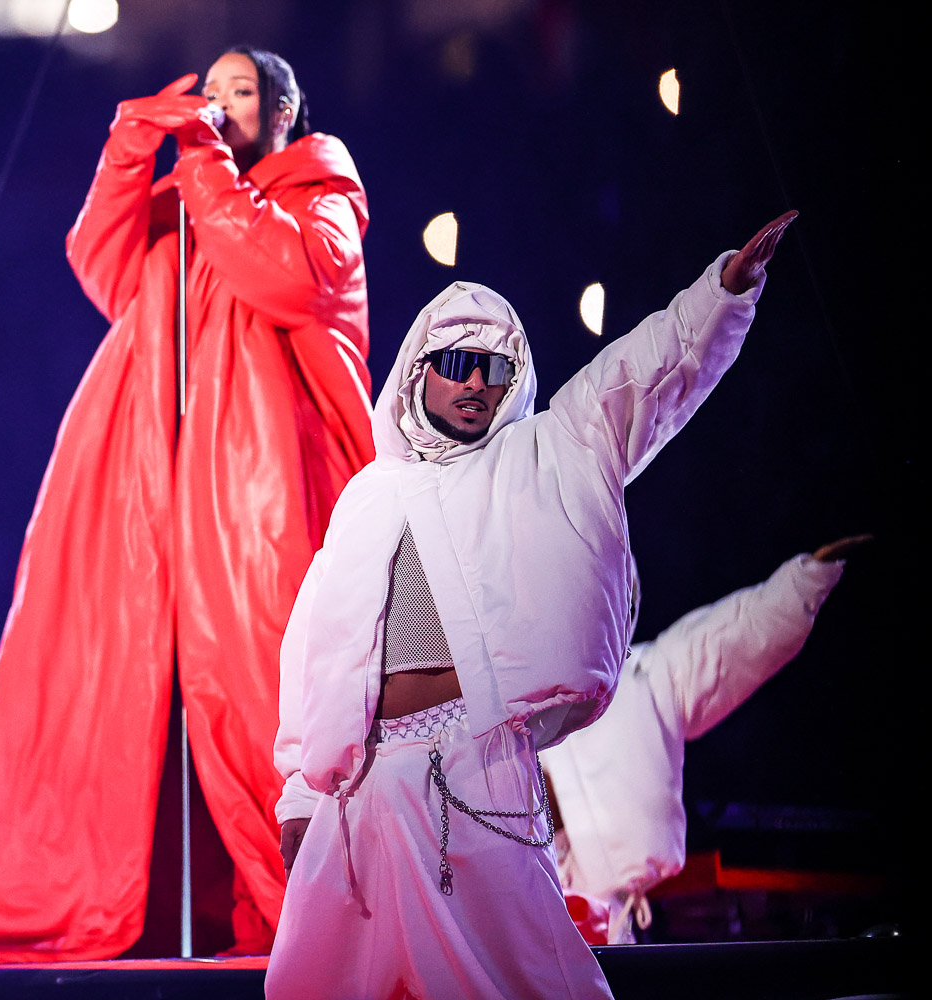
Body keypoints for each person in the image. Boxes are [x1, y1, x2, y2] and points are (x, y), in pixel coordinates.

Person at [0, 48, 374, 965]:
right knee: (132, 690)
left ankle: (318, 907)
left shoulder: (315, 191)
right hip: (153, 476)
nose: (216, 106)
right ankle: (153, 911)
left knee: (267, 694)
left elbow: (286, 277)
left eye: (240, 93)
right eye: (207, 94)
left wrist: (204, 164)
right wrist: (132, 147)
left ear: (286, 111)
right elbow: (102, 266)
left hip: (259, 493)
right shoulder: (181, 205)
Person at [266, 211, 798, 999]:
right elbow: (318, 647)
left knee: (522, 981)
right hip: (364, 787)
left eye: (493, 367)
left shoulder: (546, 451)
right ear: (419, 371)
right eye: (457, 362)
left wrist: (723, 293)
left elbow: (641, 379)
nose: (477, 381)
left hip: (477, 764)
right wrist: (301, 792)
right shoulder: (367, 497)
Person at [540, 536, 871, 945]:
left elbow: (733, 638)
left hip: (606, 928)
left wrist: (807, 580)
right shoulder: (509, 698)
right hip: (521, 916)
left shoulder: (647, 676)